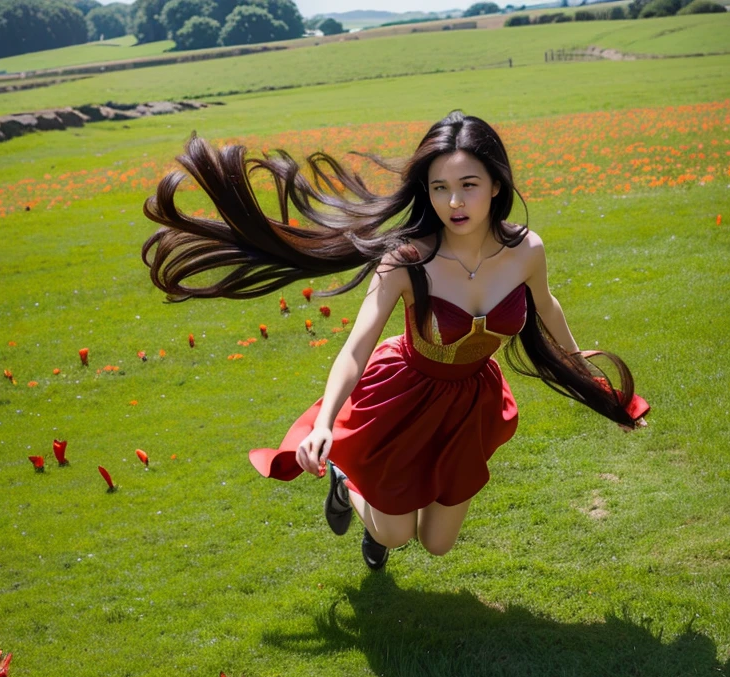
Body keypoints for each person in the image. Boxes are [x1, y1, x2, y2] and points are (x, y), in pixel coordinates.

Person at [142, 112, 647, 570]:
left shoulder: (525, 251)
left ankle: (373, 496)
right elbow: (357, 345)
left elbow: (547, 304)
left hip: (470, 402)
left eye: (469, 184)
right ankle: (345, 480)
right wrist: (323, 425)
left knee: (438, 544)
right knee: (395, 532)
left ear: (496, 184)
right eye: (439, 188)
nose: (454, 202)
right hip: (401, 395)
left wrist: (588, 373)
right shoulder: (407, 260)